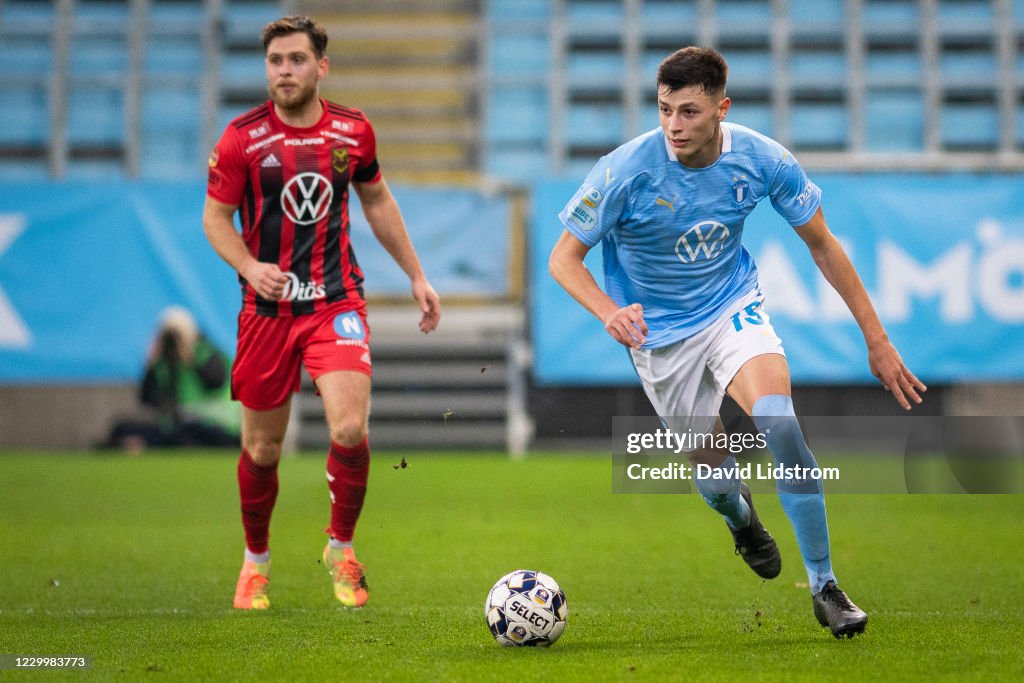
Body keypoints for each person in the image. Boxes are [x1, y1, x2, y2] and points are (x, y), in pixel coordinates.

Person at [549, 47, 926, 638]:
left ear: (722, 108)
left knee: (780, 422)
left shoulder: (763, 159)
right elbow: (564, 259)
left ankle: (825, 586)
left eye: (690, 111)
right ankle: (742, 519)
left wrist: (876, 341)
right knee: (717, 481)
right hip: (660, 337)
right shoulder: (624, 170)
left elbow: (823, 244)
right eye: (665, 110)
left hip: (731, 308)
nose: (674, 125)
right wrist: (607, 309)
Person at [203, 16, 441, 610]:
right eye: (276, 61)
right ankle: (255, 561)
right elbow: (215, 218)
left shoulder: (352, 131)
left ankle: (341, 547)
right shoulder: (240, 139)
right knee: (261, 449)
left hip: (335, 300)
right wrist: (249, 265)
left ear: (321, 66)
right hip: (265, 310)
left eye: (297, 60)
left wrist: (416, 274)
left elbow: (378, 199)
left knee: (349, 428)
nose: (285, 71)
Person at [102, 306, 239, 451]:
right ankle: (139, 442)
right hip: (178, 424)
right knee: (122, 428)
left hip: (214, 424)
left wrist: (189, 357)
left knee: (183, 434)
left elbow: (215, 383)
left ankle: (144, 444)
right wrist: (150, 365)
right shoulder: (164, 362)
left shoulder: (206, 352)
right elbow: (146, 399)